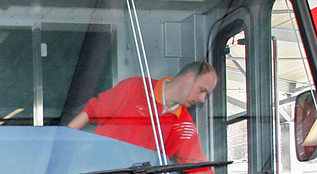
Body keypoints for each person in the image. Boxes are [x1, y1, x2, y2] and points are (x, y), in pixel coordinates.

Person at [67, 61, 217, 166]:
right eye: (202, 90)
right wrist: (61, 142)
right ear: (188, 78)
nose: (202, 99)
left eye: (206, 94)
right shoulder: (135, 87)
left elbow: (198, 167)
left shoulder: (184, 124)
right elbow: (90, 111)